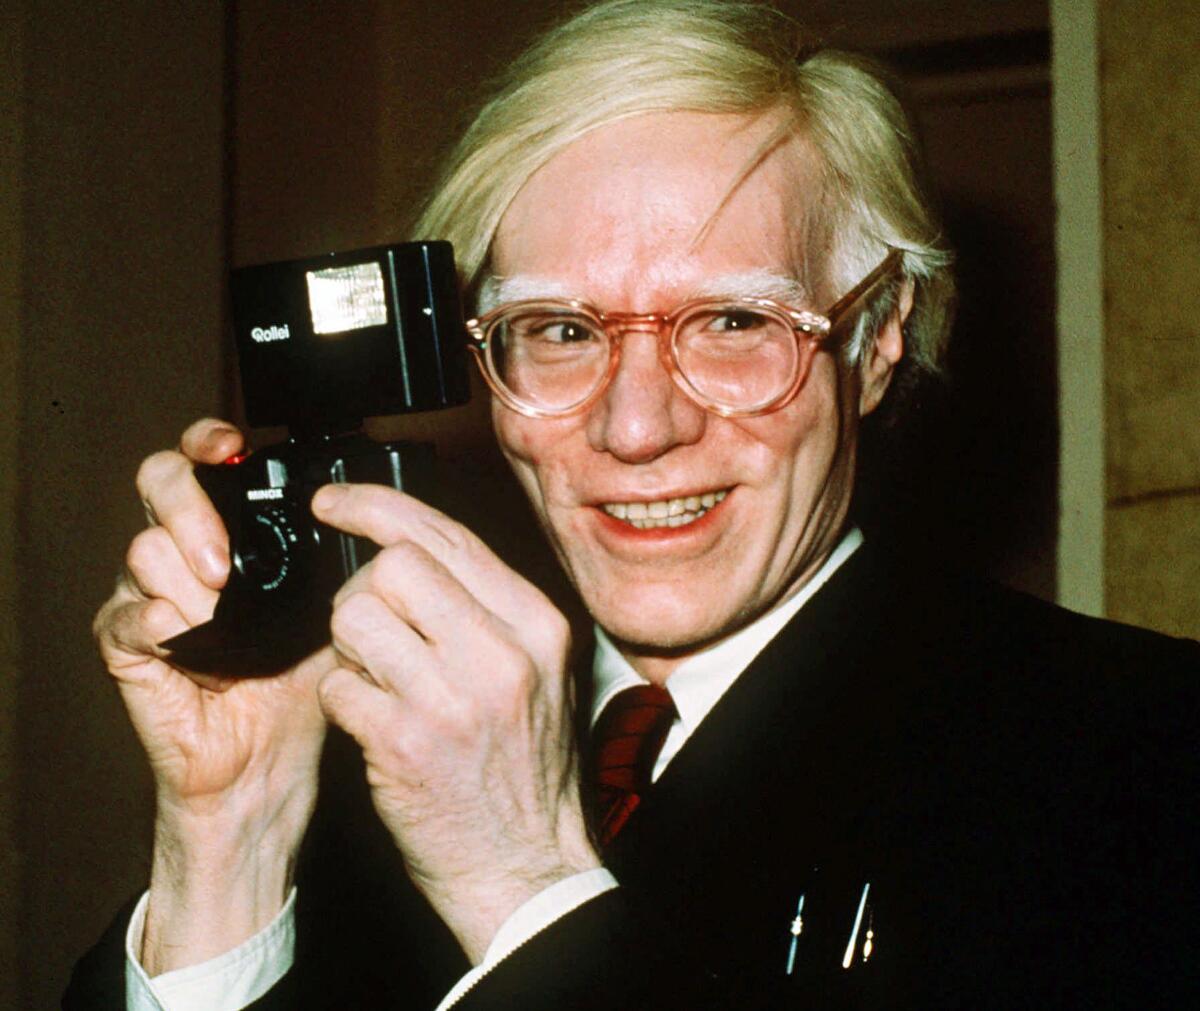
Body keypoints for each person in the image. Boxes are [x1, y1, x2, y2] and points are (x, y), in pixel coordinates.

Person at [67, 1, 1198, 1008]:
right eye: (561, 332)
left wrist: (523, 890)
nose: (636, 428)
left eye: (735, 324)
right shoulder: (387, 743)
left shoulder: (1134, 768)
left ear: (876, 338)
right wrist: (232, 837)